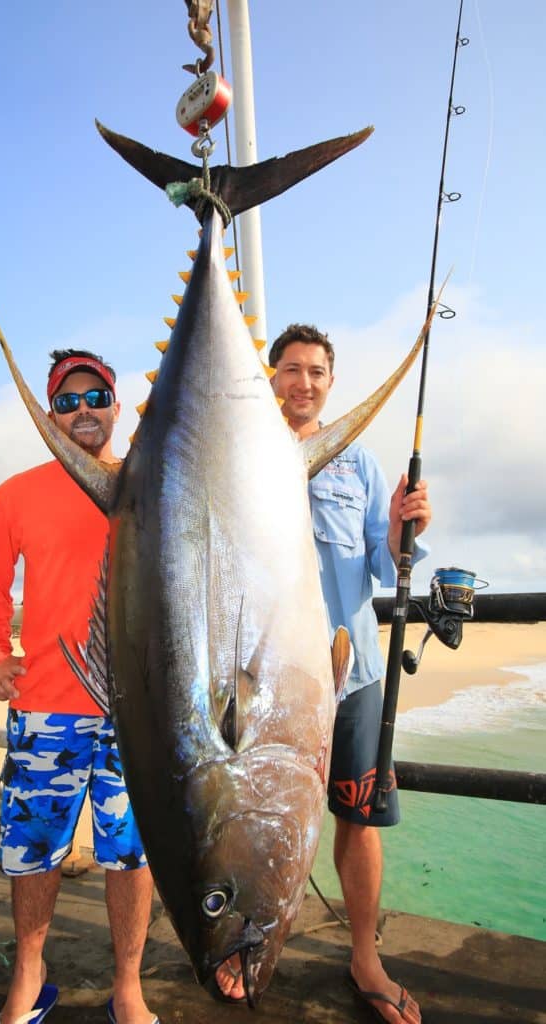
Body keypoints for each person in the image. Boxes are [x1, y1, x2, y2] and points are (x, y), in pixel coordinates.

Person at [217, 325, 429, 1024]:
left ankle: (363, 956)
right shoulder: (238, 458)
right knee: (242, 813)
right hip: (264, 682)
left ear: (329, 384)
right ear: (269, 377)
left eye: (315, 372)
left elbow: (379, 561)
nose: (302, 383)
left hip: (349, 673)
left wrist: (404, 531)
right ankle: (239, 933)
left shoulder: (358, 464)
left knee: (357, 819)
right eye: (289, 370)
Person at [0, 349, 158, 1024]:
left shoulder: (146, 484)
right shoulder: (17, 492)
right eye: (68, 401)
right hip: (47, 705)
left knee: (130, 854)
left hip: (136, 714)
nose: (83, 411)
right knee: (33, 851)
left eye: (95, 396)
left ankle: (128, 986)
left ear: (115, 403)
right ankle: (29, 972)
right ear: (50, 414)